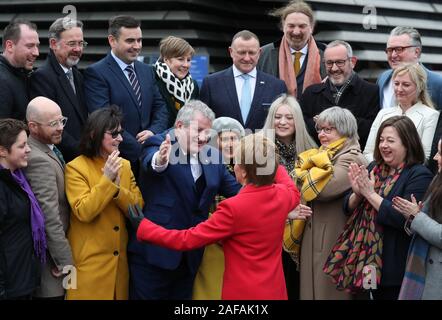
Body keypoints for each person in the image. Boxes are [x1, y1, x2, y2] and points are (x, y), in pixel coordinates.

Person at [129, 133, 309, 300]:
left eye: (237, 162)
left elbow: (187, 239)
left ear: (244, 171)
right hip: (275, 290)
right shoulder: (284, 196)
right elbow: (287, 183)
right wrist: (265, 153)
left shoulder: (233, 208)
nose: (234, 165)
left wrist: (145, 227)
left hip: (242, 294)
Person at [130, 100, 241, 300]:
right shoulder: (158, 142)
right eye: (198, 130)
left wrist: (278, 205)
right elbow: (151, 162)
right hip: (154, 255)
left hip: (191, 257)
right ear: (179, 126)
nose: (203, 137)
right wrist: (161, 160)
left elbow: (239, 193)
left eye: (207, 132)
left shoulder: (213, 155)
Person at [324, 116, 433, 300]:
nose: (384, 145)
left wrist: (370, 194)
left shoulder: (419, 175)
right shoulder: (374, 167)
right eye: (381, 140)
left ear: (408, 143)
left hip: (393, 265)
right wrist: (358, 194)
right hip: (366, 261)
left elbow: (402, 219)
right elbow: (347, 207)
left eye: (390, 141)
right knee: (368, 294)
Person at [64, 106, 143, 300]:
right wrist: (107, 180)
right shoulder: (75, 168)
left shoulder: (124, 165)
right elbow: (84, 211)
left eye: (121, 133)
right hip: (88, 269)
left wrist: (117, 190)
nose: (120, 139)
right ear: (94, 134)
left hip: (119, 270)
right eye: (114, 134)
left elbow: (138, 206)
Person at [295, 106, 367, 300]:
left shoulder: (351, 157)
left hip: (333, 239)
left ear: (344, 130)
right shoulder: (323, 155)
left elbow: (323, 189)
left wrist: (302, 175)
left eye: (329, 129)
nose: (321, 135)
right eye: (320, 129)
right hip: (316, 237)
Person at [83, 15, 168, 176]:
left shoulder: (147, 70)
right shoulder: (96, 73)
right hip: (120, 163)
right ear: (112, 41)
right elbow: (105, 121)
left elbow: (161, 107)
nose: (137, 46)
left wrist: (153, 133)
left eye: (139, 40)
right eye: (130, 41)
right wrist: (141, 149)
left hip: (152, 158)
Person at [262, 93, 316, 299]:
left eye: (289, 117)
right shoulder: (258, 149)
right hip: (268, 233)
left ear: (298, 120)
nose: (282, 122)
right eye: (277, 117)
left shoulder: (312, 151)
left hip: (302, 234)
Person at [24, 97, 73, 300]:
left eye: (62, 120)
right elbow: (50, 216)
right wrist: (65, 261)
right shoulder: (36, 159)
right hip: (52, 265)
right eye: (53, 124)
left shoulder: (47, 149)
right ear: (33, 127)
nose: (60, 127)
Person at [192, 116, 244, 300]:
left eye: (234, 138)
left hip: (239, 242)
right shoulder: (205, 166)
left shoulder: (247, 170)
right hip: (212, 240)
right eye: (225, 138)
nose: (230, 144)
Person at [200, 30, 287, 132]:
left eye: (251, 53)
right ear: (231, 52)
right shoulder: (211, 84)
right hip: (222, 147)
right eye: (242, 52)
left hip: (262, 147)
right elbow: (203, 125)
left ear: (259, 53)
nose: (247, 58)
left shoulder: (276, 86)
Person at [300, 40, 379, 150]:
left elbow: (372, 130)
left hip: (354, 163)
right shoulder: (311, 93)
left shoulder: (371, 92)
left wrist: (326, 122)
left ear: (353, 62)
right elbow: (302, 129)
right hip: (316, 161)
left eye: (340, 62)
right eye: (329, 63)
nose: (334, 68)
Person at [30, 17, 89, 163]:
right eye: (72, 44)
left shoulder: (77, 75)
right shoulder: (42, 78)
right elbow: (50, 127)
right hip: (62, 161)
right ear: (53, 44)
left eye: (81, 43)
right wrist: (83, 154)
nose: (78, 49)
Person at [0, 119, 45, 300]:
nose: (28, 150)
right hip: (10, 287)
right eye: (22, 146)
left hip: (24, 279)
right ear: (2, 150)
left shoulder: (18, 179)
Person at [394, 136, 442, 300]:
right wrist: (414, 215)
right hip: (421, 268)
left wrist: (417, 216)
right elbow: (423, 220)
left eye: (440, 154)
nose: (435, 158)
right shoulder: (438, 179)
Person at [364, 63, 439, 162]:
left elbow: (424, 156)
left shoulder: (430, 115)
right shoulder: (383, 113)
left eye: (406, 85)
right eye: (396, 84)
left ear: (420, 87)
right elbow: (367, 152)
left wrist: (396, 171)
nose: (399, 89)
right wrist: (382, 169)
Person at [257, 0, 326, 99]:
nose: (296, 32)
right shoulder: (263, 54)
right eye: (291, 26)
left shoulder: (327, 54)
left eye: (302, 26)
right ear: (283, 27)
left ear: (311, 27)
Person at [378, 26, 442, 110]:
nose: (393, 55)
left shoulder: (437, 83)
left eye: (399, 49)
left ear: (416, 52)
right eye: (390, 50)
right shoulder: (383, 78)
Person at [153, 36, 199, 128]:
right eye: (181, 59)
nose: (186, 65)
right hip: (156, 139)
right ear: (166, 60)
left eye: (188, 60)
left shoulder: (193, 85)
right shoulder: (152, 79)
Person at [0, 20, 39, 120]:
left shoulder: (22, 73)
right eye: (30, 46)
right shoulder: (2, 81)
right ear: (10, 46)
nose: (36, 53)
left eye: (37, 46)